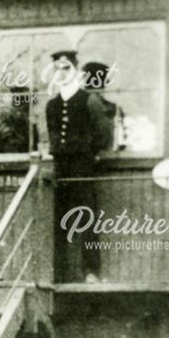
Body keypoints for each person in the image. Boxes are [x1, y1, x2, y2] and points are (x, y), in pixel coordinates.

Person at [45, 49, 111, 283]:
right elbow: (52, 134)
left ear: (75, 70)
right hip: (60, 165)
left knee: (87, 217)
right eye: (57, 69)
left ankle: (91, 271)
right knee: (60, 218)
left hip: (82, 165)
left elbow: (103, 134)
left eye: (66, 68)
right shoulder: (51, 105)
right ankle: (59, 273)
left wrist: (91, 153)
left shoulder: (89, 100)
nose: (61, 73)